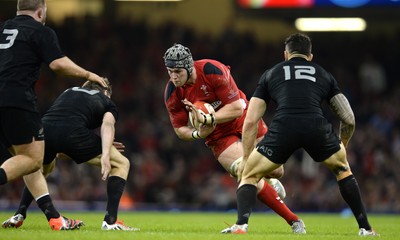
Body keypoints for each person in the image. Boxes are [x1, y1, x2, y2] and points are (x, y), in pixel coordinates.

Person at [221, 33, 379, 236]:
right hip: (316, 126)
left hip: (284, 126)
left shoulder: (271, 73)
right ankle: (365, 228)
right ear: (310, 56)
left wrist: (246, 158)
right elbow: (348, 118)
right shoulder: (324, 74)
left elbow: (251, 120)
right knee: (343, 171)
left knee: (250, 175)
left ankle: (241, 226)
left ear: (286, 55)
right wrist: (342, 146)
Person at [163, 43, 305, 234]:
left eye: (178, 71)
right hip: (217, 136)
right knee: (246, 171)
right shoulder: (172, 93)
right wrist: (198, 133)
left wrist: (208, 118)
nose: (173, 76)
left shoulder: (212, 70)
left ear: (188, 66)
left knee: (277, 171)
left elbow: (237, 107)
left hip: (244, 119)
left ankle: (269, 179)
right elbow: (180, 129)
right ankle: (294, 221)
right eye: (170, 71)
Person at [0, 0, 107, 230]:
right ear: (40, 12)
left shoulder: (3, 28)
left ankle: (55, 218)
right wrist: (89, 73)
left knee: (26, 162)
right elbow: (57, 64)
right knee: (33, 159)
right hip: (16, 101)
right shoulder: (40, 31)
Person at [2, 79, 138, 231]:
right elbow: (107, 124)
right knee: (122, 163)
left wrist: (101, 145)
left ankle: (19, 213)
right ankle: (110, 221)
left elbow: (62, 149)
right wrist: (106, 153)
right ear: (106, 92)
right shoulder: (106, 100)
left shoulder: (69, 91)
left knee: (41, 169)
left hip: (44, 129)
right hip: (73, 132)